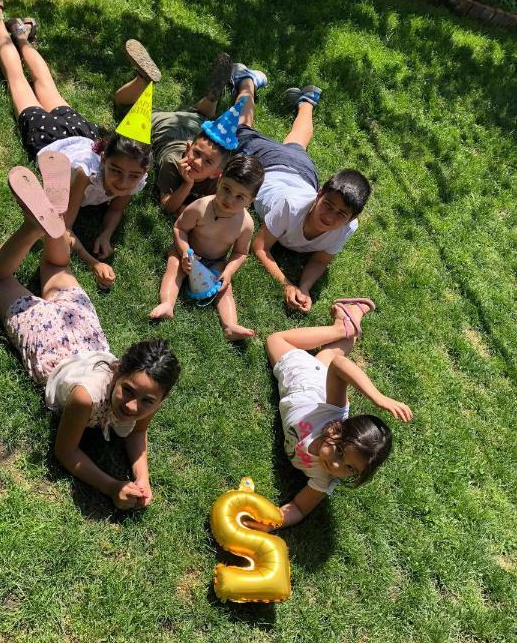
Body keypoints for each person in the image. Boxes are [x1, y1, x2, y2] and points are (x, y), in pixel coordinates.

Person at [0, 164, 180, 510]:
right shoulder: (86, 399)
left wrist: (141, 477)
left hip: (83, 326)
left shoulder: (149, 393)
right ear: (117, 370)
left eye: (146, 402)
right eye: (128, 391)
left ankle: (56, 216)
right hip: (47, 337)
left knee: (57, 267)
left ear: (160, 399)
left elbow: (138, 431)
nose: (132, 407)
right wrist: (113, 486)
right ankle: (32, 226)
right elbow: (66, 451)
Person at [0, 1, 153, 260]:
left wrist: (106, 234)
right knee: (18, 80)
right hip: (49, 141)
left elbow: (116, 210)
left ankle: (22, 37)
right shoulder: (85, 173)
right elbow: (62, 227)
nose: (123, 183)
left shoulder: (136, 179)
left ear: (143, 172)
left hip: (80, 132)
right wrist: (91, 262)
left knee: (44, 82)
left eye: (133, 176)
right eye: (116, 171)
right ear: (103, 159)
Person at [257, 298, 412, 528]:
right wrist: (376, 397)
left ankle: (353, 316)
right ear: (334, 429)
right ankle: (341, 328)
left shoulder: (324, 478)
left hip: (319, 379)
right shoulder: (333, 413)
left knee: (325, 359)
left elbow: (299, 508)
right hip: (301, 377)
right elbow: (340, 365)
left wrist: (270, 522)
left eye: (350, 468)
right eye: (339, 452)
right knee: (276, 340)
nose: (337, 466)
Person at [232, 67, 372, 313]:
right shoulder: (291, 205)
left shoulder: (349, 227)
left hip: (303, 172)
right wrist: (286, 284)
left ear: (352, 218)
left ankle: (307, 100)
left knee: (297, 143)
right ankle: (247, 80)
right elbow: (261, 247)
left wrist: (305, 287)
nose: (329, 216)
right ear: (319, 194)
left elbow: (320, 259)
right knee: (240, 129)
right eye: (328, 205)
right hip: (271, 164)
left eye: (341, 214)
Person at [114, 52, 264, 216]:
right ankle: (142, 79)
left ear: (216, 173)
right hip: (164, 126)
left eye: (207, 162)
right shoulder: (172, 161)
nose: (197, 162)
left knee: (199, 116)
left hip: (196, 127)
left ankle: (211, 100)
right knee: (124, 107)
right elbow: (167, 207)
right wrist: (187, 184)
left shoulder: (222, 183)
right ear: (188, 148)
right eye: (196, 153)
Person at [149, 154, 265, 341]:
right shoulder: (201, 207)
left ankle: (230, 325)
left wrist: (228, 271)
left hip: (216, 261)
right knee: (174, 268)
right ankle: (167, 304)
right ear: (219, 181)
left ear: (251, 200)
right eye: (226, 189)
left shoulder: (246, 224)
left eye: (240, 197)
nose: (230, 199)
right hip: (187, 253)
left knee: (225, 288)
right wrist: (185, 250)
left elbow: (240, 252)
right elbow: (179, 228)